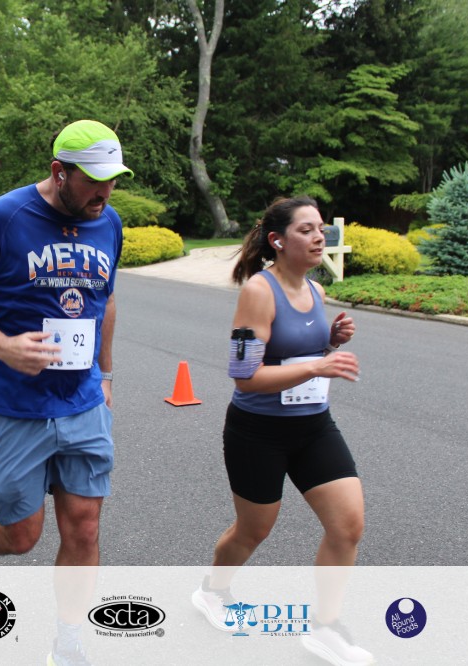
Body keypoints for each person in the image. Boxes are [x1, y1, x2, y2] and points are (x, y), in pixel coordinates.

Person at [0, 119, 131, 666]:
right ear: (58, 171)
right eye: (93, 179)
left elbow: (106, 299)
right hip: (10, 404)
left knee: (85, 526)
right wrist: (3, 346)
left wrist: (106, 376)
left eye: (112, 179)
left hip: (82, 402)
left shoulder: (108, 222)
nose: (104, 192)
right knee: (23, 535)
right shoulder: (4, 217)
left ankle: (68, 642)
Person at [190, 196, 371, 665]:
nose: (319, 237)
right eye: (306, 230)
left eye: (321, 229)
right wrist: (318, 366)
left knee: (348, 525)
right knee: (253, 531)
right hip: (258, 432)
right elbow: (245, 376)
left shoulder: (316, 290)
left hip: (314, 426)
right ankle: (213, 590)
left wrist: (330, 342)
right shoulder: (258, 291)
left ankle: (326, 628)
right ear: (278, 240)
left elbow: (296, 353)